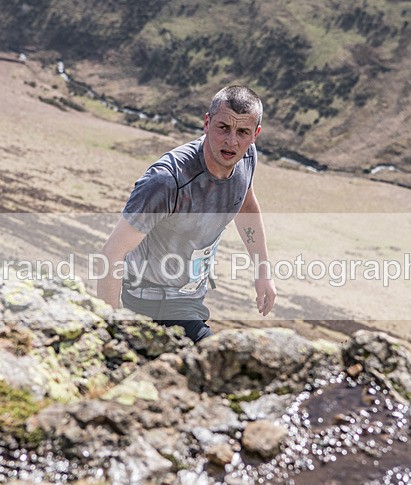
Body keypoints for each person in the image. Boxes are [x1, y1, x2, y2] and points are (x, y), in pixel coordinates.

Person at [96, 85, 276, 342]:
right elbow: (112, 253)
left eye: (243, 132)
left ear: (255, 135)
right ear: (207, 122)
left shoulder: (246, 158)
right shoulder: (167, 181)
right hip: (145, 304)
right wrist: (111, 332)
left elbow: (245, 206)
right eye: (223, 127)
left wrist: (262, 271)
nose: (232, 141)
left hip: (190, 300)